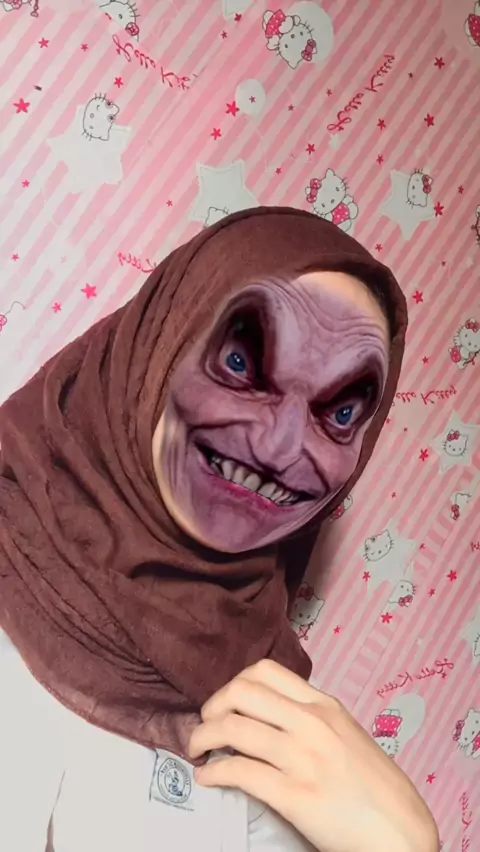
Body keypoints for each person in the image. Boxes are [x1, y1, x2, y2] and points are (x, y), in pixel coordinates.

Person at [0, 208, 438, 852]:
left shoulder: (279, 715)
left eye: (342, 412)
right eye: (239, 362)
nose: (279, 447)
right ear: (158, 344)